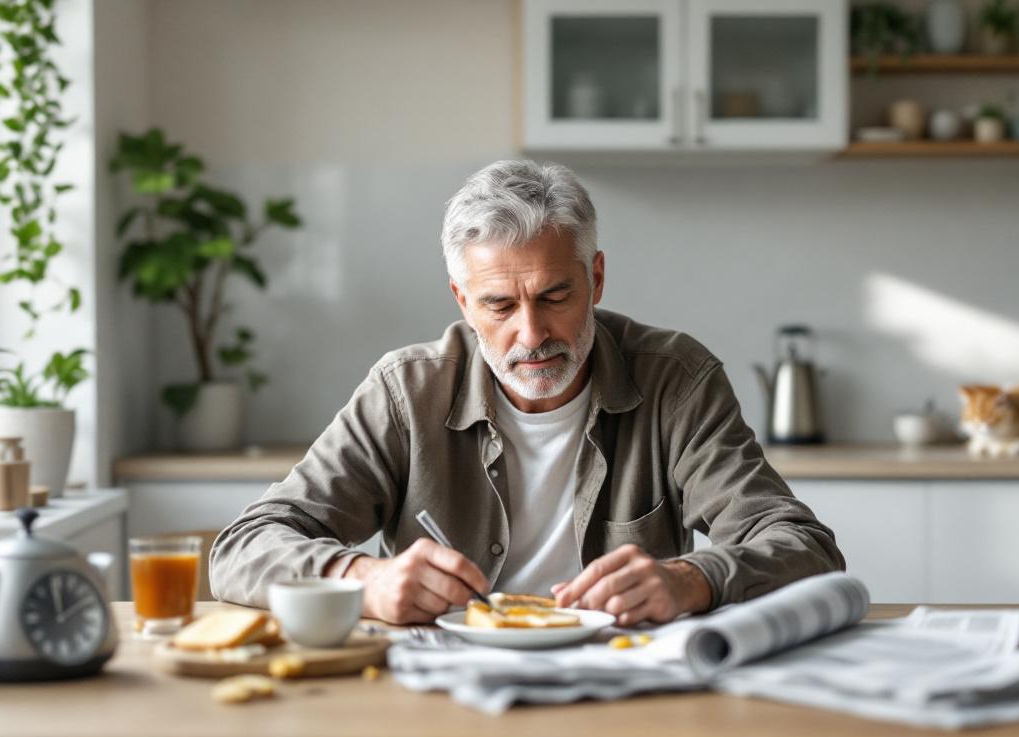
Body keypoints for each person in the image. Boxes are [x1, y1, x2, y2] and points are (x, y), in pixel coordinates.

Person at [209, 159, 845, 626]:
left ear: (595, 278)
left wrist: (692, 579)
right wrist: (362, 577)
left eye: (554, 296)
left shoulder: (676, 380)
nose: (531, 333)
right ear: (462, 300)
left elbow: (805, 547)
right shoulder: (407, 391)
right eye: (499, 305)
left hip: (625, 682)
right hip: (442, 694)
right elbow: (243, 547)